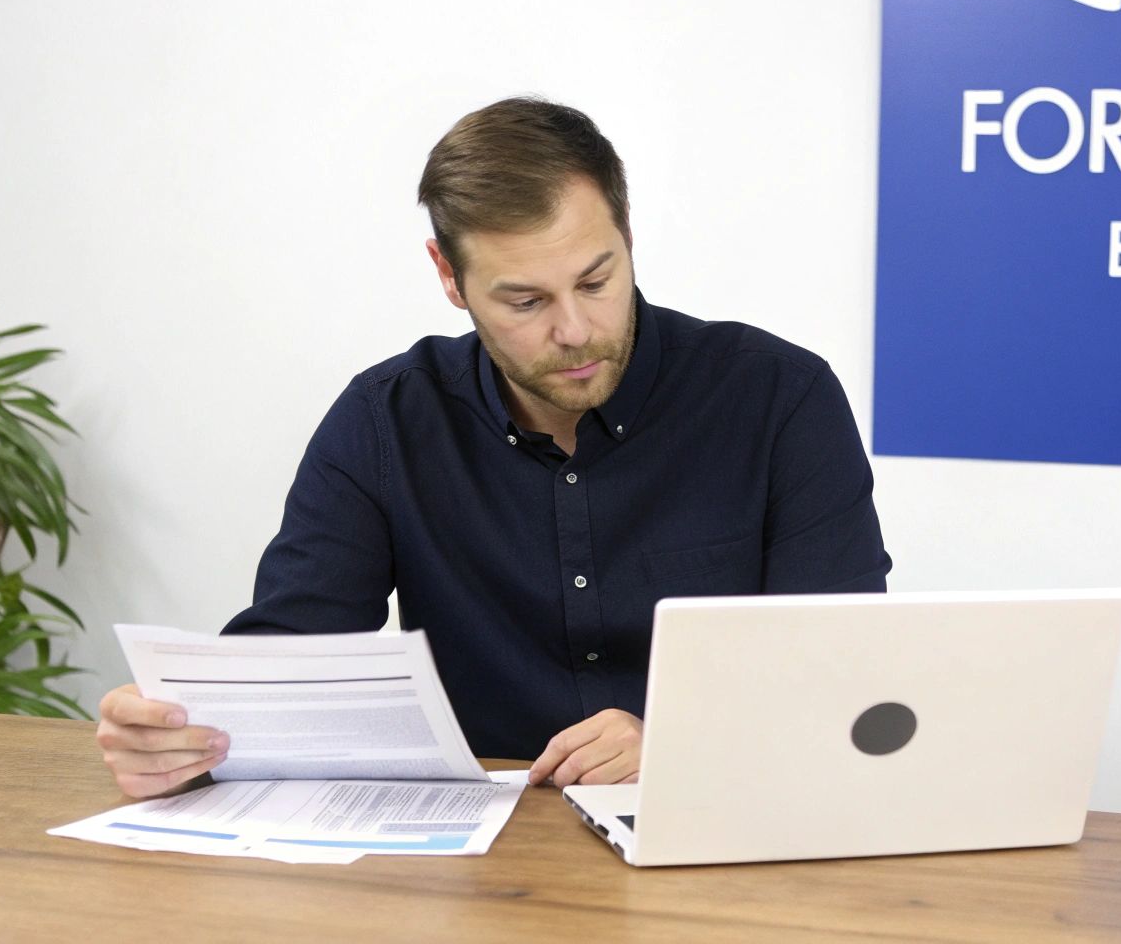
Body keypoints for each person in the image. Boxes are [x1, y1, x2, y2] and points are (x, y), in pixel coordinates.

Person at [94, 98, 892, 798]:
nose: (574, 330)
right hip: (481, 869)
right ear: (449, 276)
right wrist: (177, 736)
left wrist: (684, 741)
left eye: (595, 279)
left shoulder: (780, 400)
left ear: (628, 235)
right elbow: (288, 667)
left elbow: (846, 679)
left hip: (722, 834)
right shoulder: (388, 422)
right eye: (525, 300)